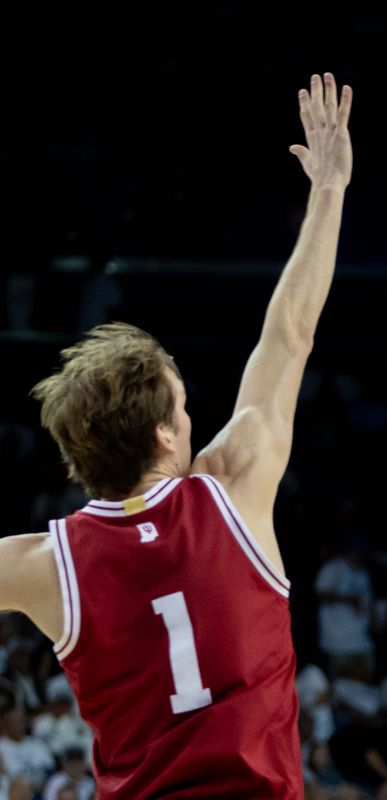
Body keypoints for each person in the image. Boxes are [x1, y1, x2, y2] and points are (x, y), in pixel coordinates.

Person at [0, 72, 353, 798]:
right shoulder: (234, 485)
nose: (195, 418)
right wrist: (328, 190)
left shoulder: (43, 564)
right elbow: (290, 334)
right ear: (165, 434)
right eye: (186, 406)